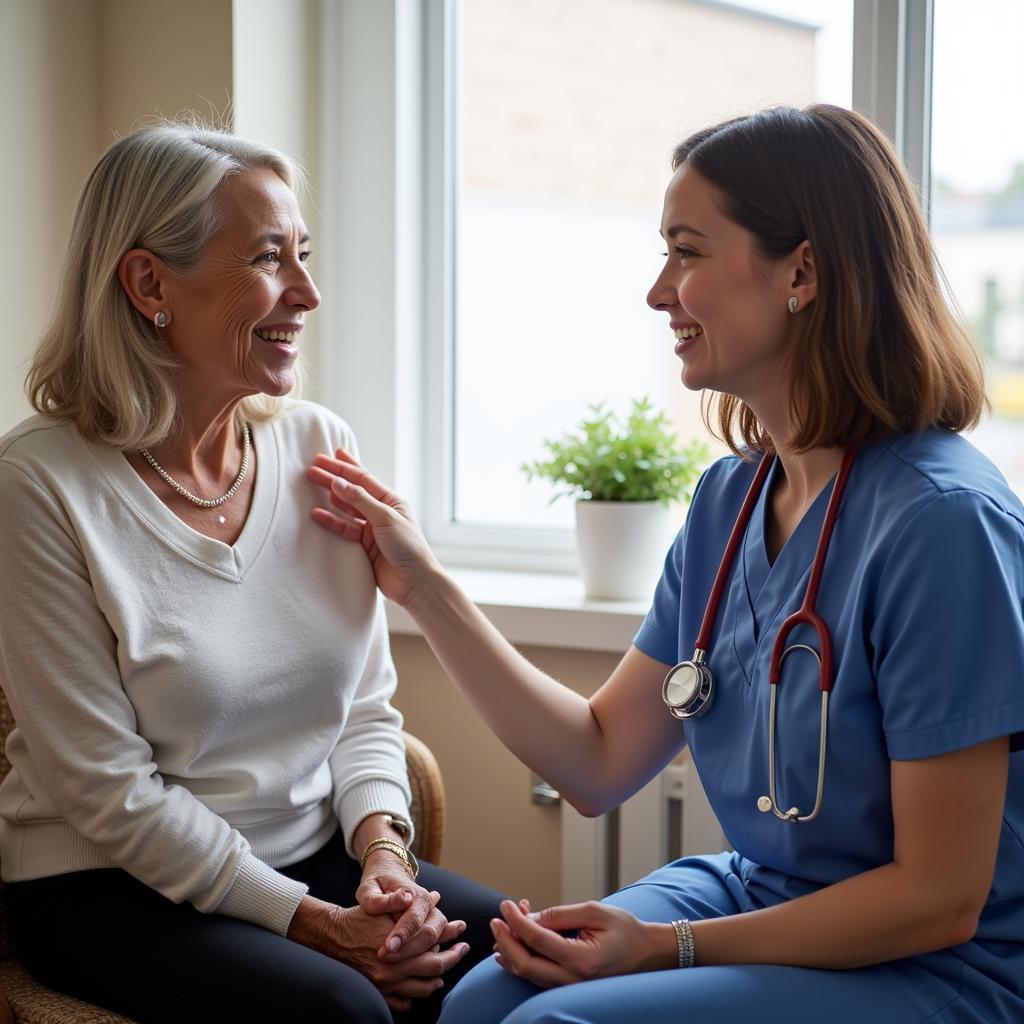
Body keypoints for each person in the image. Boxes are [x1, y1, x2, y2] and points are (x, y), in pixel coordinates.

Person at [306, 104, 1024, 1023]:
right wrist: (423, 586)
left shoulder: (943, 523)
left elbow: (939, 896)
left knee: (554, 1023)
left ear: (801, 270)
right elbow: (598, 760)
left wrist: (663, 945)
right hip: (761, 892)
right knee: (485, 1000)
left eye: (686, 252)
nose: (657, 292)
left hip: (930, 960)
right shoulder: (730, 500)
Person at [0, 120, 503, 1024]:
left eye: (303, 255)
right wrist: (312, 924)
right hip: (109, 886)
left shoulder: (321, 446)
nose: (307, 292)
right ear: (150, 282)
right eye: (270, 259)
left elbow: (364, 708)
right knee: (342, 1007)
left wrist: (385, 856)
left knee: (519, 954)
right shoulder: (37, 484)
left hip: (309, 856)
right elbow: (104, 791)